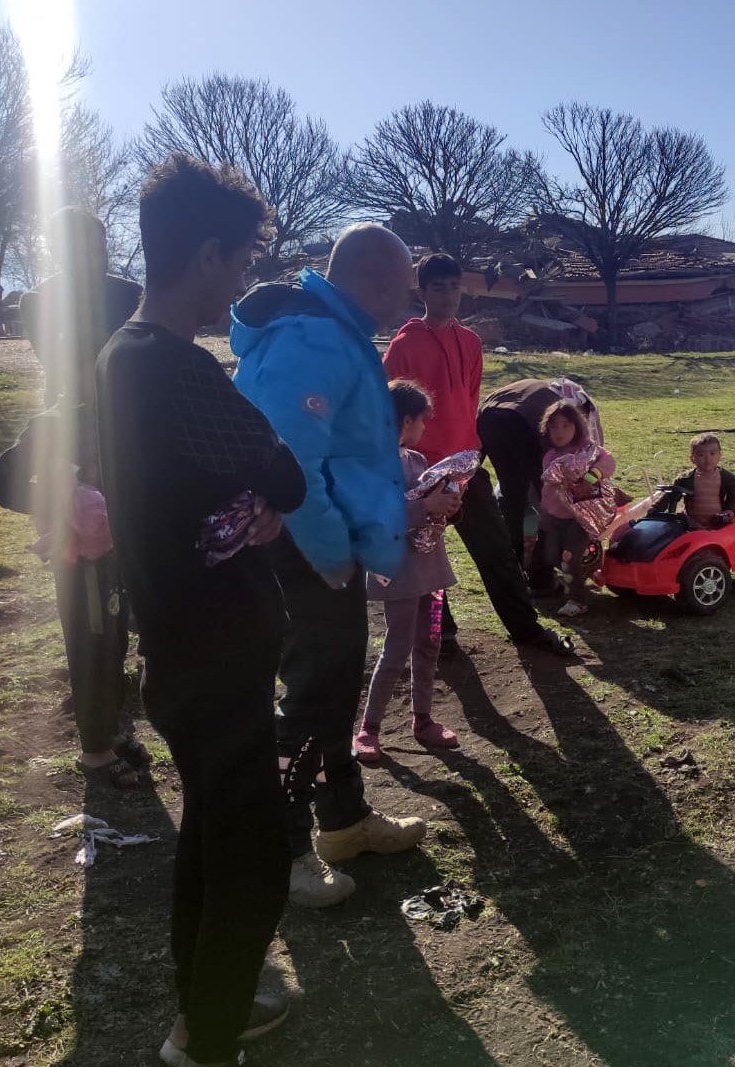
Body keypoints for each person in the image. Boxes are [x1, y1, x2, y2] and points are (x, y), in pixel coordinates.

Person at [94, 154, 306, 1067]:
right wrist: (264, 501)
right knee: (254, 859)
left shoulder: (116, 358)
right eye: (244, 260)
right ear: (207, 255)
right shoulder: (171, 368)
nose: (245, 281)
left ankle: (203, 1010)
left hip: (183, 657)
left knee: (212, 838)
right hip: (215, 660)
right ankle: (206, 1042)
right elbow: (286, 470)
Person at [230, 223, 436, 909]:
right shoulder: (313, 337)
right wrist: (329, 555)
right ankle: (286, 851)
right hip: (303, 549)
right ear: (375, 279)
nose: (408, 301)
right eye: (403, 287)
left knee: (335, 685)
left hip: (324, 542)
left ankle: (343, 821)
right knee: (312, 693)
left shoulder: (329, 331)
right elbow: (289, 464)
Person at [382, 255, 577, 657]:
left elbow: (469, 400)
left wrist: (471, 454)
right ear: (422, 291)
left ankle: (525, 630)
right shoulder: (404, 346)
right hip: (422, 472)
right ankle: (440, 636)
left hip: (466, 467)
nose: (449, 296)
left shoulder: (470, 342)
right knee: (428, 560)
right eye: (439, 287)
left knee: (497, 552)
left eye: (455, 287)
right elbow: (389, 409)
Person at [0, 334, 142, 788]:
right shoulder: (55, 423)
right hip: (82, 560)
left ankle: (111, 729)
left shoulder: (117, 419)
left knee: (113, 641)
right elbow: (1, 483)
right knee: (91, 645)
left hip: (117, 554)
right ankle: (94, 751)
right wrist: (65, 504)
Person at [354, 379, 464, 763]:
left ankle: (423, 719)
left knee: (430, 640)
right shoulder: (372, 464)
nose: (424, 428)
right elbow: (377, 518)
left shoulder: (416, 461)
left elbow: (430, 510)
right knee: (397, 645)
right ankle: (369, 728)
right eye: (421, 420)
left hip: (431, 575)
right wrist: (427, 507)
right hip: (398, 575)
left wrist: (448, 505)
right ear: (405, 420)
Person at [476, 376, 605, 574]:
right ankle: (541, 573)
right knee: (547, 502)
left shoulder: (539, 390)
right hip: (518, 422)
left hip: (487, 415)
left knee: (513, 495)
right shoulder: (558, 413)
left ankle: (520, 568)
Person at [21, 207, 142, 408]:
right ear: (58, 254)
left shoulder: (132, 295)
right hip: (68, 414)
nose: (97, 262)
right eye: (83, 254)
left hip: (126, 408)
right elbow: (59, 367)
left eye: (100, 250)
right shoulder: (38, 301)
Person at [536, 399, 615, 618]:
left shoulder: (588, 450)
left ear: (576, 426)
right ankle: (580, 573)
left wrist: (592, 476)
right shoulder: (550, 456)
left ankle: (578, 600)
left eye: (565, 425)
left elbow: (608, 461)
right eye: (554, 426)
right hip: (554, 516)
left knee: (569, 557)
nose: (559, 431)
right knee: (551, 556)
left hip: (579, 517)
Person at [654, 432, 735, 529]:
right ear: (692, 458)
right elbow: (670, 494)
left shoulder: (727, 478)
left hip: (718, 523)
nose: (708, 458)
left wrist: (730, 511)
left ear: (719, 455)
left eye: (712, 454)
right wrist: (655, 508)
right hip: (691, 523)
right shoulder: (685, 478)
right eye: (701, 455)